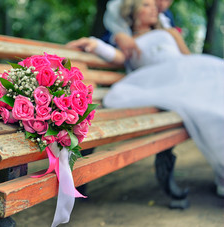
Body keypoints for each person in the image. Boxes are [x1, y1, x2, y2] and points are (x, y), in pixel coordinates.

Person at [67, 0, 224, 196]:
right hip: (156, 81)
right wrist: (91, 42)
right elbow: (117, 57)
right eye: (146, 5)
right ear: (133, 13)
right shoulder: (126, 40)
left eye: (153, 6)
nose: (154, 9)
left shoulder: (169, 32)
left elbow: (188, 58)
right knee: (211, 113)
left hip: (184, 76)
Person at [102, 0, 176, 59]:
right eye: (146, 5)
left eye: (168, 1)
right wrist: (117, 37)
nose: (162, 5)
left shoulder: (167, 20)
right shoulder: (119, 10)